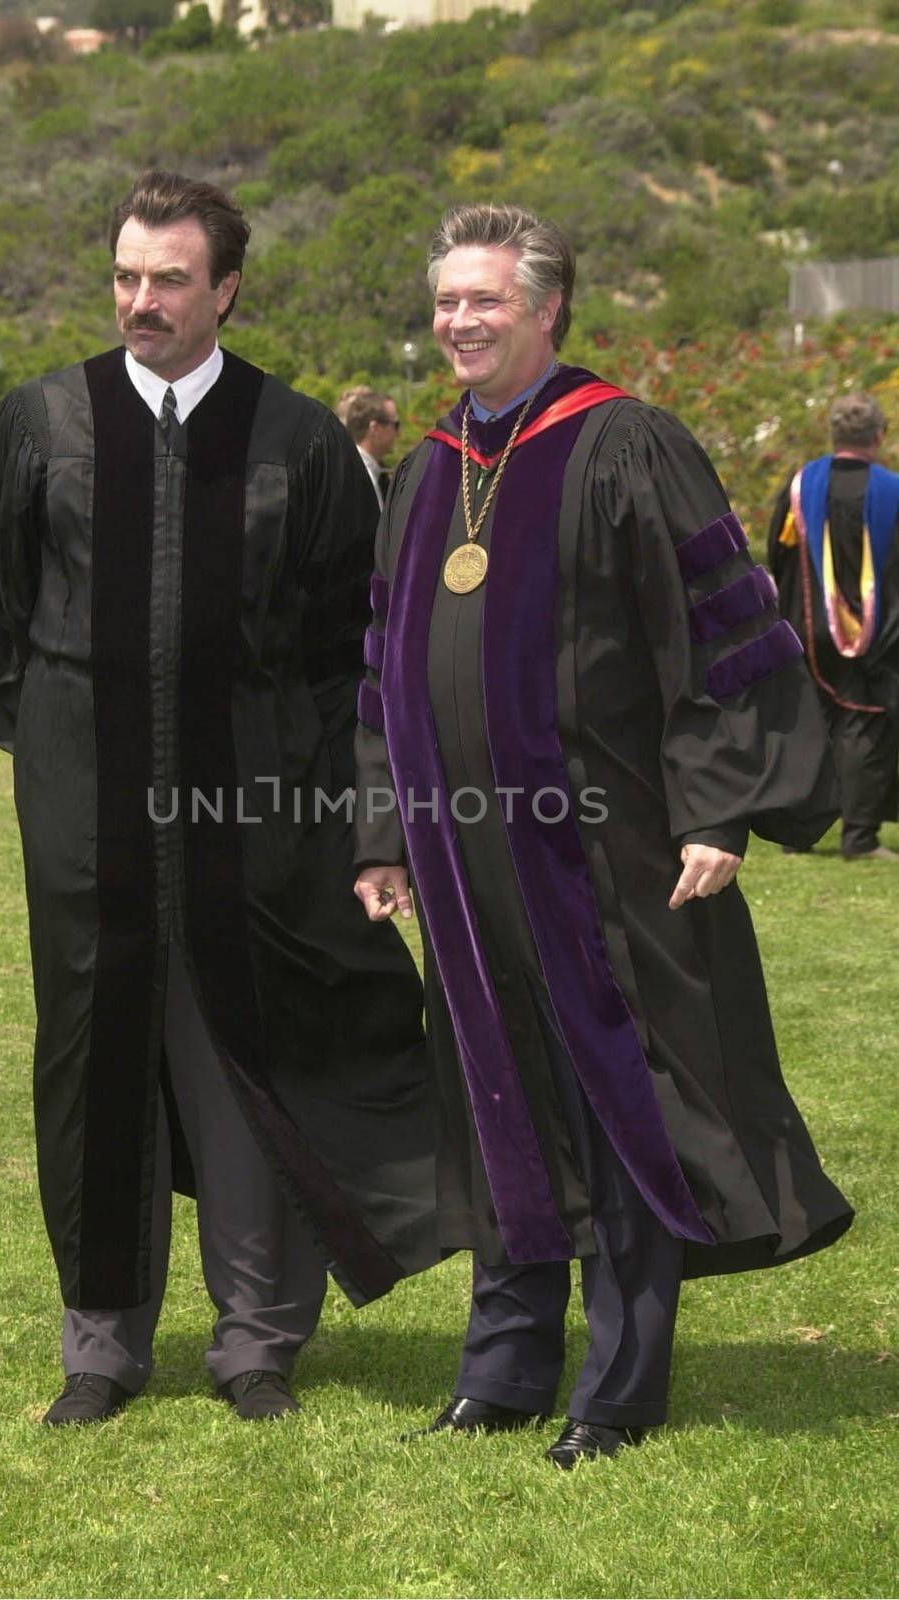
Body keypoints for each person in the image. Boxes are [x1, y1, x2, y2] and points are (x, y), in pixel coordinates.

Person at [353, 203, 853, 1470]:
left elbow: (725, 628)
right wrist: (382, 833)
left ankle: (619, 1386)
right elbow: (380, 667)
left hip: (608, 847)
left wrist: (718, 805)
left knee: (620, 1093)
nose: (459, 322)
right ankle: (504, 1368)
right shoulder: (425, 470)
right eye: (446, 302)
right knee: (494, 1093)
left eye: (485, 301)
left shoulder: (625, 444)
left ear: (547, 307)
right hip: (464, 859)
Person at [0, 169, 440, 1428]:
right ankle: (102, 1343)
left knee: (249, 1056)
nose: (141, 300)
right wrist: (63, 747)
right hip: (86, 814)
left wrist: (339, 806)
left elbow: (351, 647)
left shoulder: (301, 441)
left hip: (259, 814)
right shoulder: (43, 420)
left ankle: (257, 1339)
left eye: (170, 278)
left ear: (226, 286)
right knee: (91, 1059)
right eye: (125, 275)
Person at [768, 392, 899, 860]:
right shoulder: (892, 491)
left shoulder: (802, 485)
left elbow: (778, 554)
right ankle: (859, 838)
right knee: (866, 721)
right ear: (879, 436)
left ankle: (791, 835)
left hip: (806, 623)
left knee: (808, 722)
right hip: (874, 633)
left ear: (835, 435)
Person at [341, 389, 401, 511]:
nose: (399, 433)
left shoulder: (372, 472)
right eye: (395, 425)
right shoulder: (356, 477)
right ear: (375, 429)